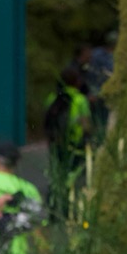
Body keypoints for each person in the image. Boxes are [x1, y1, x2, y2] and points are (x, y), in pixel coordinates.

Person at [43, 66, 92, 217]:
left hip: (56, 144)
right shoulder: (80, 100)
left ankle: (52, 208)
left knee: (56, 175)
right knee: (74, 177)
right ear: (77, 82)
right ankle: (69, 211)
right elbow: (86, 125)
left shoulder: (52, 98)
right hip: (74, 145)